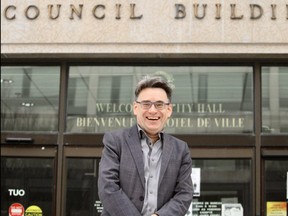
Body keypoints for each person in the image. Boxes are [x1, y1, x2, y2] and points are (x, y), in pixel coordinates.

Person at [98, 75, 193, 216]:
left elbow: (184, 194)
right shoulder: (115, 141)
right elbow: (108, 187)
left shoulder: (181, 149)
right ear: (136, 108)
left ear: (169, 110)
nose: (153, 110)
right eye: (146, 104)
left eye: (159, 104)